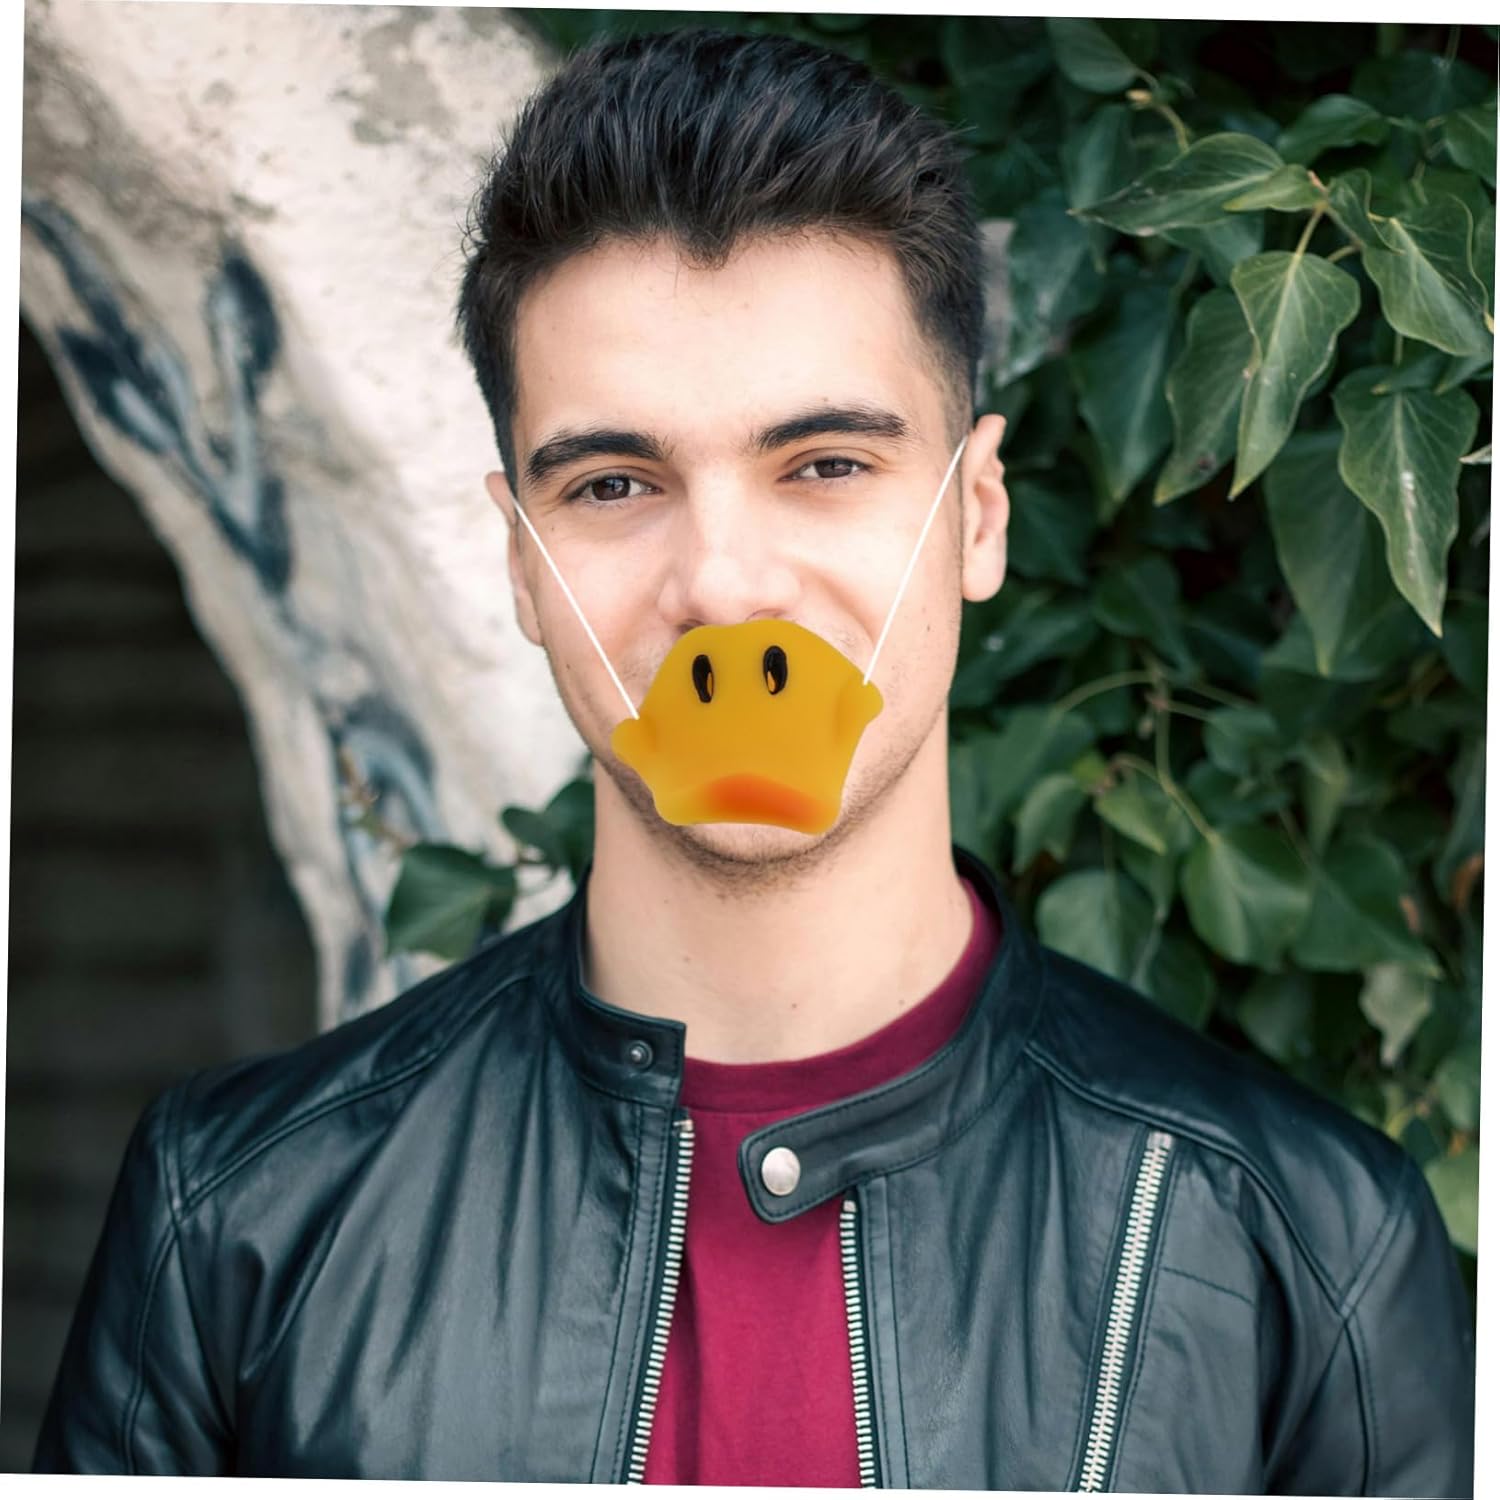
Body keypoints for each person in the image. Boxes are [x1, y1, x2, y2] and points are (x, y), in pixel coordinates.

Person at [35, 26, 1475, 1492]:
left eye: (826, 465)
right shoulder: (239, 1218)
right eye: (615, 484)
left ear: (977, 516)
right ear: (523, 564)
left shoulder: (1306, 1247)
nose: (723, 586)